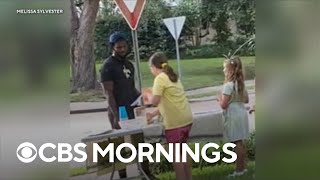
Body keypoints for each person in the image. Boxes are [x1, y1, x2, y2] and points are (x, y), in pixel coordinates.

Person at [99, 31, 152, 179]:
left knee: (140, 143)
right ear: (112, 47)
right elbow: (108, 93)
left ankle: (145, 173)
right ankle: (123, 176)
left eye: (124, 46)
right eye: (118, 47)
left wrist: (142, 98)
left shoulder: (129, 64)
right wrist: (116, 117)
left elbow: (130, 86)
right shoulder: (107, 66)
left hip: (133, 109)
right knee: (120, 146)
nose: (122, 49)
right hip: (117, 111)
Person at [146, 52, 193, 180]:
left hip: (174, 123)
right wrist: (153, 114)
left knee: (176, 157)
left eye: (150, 68)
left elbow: (155, 101)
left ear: (154, 67)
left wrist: (147, 95)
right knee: (183, 153)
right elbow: (168, 102)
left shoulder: (160, 78)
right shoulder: (172, 77)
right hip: (186, 119)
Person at [218, 56, 249, 177]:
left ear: (230, 71)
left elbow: (224, 105)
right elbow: (246, 100)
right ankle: (243, 167)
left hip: (233, 116)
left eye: (224, 69)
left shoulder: (228, 86)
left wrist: (219, 98)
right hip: (241, 114)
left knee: (237, 143)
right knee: (240, 142)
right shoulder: (240, 84)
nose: (223, 71)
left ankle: (239, 170)